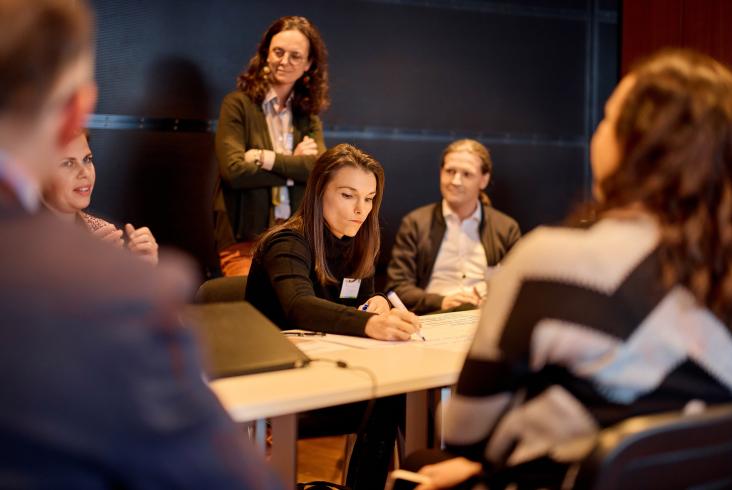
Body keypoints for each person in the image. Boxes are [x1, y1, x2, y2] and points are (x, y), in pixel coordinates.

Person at [403, 49, 732, 490]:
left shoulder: (553, 261)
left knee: (422, 463)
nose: (597, 133)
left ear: (634, 146)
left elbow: (465, 433)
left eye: (607, 118)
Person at [0, 1, 280, 487]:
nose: (83, 172)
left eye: (87, 161)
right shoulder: (117, 292)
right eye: (71, 162)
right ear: (75, 111)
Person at [247, 143, 420, 489]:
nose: (361, 210)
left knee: (400, 395)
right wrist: (372, 323)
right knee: (389, 399)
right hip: (277, 386)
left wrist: (379, 303)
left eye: (369, 199)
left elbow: (361, 297)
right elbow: (300, 306)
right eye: (348, 195)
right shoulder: (287, 243)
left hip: (332, 374)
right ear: (319, 190)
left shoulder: (358, 242)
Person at [214, 15, 329, 277]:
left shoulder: (307, 115)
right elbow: (234, 172)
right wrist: (293, 166)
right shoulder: (238, 105)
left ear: (308, 64)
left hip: (295, 237)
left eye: (295, 56)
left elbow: (317, 170)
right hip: (244, 239)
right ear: (266, 53)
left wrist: (265, 158)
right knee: (251, 314)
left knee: (295, 312)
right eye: (278, 51)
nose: (284, 61)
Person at [387, 139, 521, 314]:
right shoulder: (415, 223)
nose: (456, 181)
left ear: (484, 180)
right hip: (433, 316)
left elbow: (517, 287)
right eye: (450, 171)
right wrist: (442, 301)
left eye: (467, 174)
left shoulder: (506, 228)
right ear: (441, 173)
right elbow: (398, 287)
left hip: (482, 318)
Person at [42, 130, 159, 265]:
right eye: (68, 163)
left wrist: (142, 269)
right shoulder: (19, 238)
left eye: (87, 159)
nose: (84, 172)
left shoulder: (106, 232)